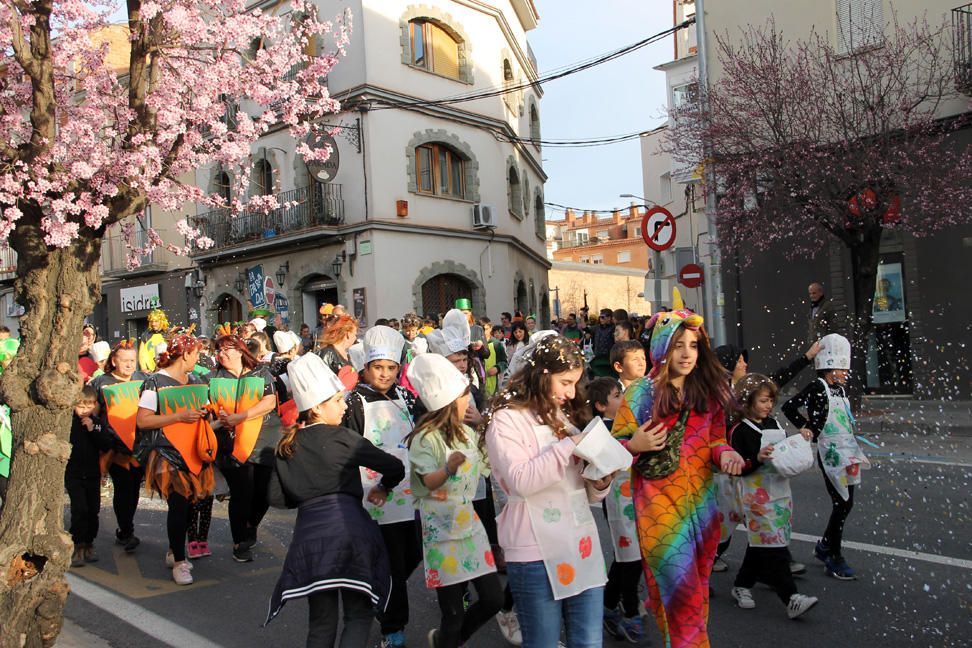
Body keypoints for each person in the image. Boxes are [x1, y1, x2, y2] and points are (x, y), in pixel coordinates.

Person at [611, 308, 744, 648]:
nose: (687, 354)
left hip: (703, 510)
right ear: (661, 348)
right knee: (682, 600)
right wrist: (635, 444)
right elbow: (611, 449)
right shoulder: (641, 392)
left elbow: (716, 439)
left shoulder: (709, 393)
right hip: (659, 513)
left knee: (695, 598)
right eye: (678, 345)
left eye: (694, 345)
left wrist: (725, 453)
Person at [264, 353, 405, 646]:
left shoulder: (286, 446)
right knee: (358, 614)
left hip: (309, 537)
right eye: (338, 401)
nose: (344, 407)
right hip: (350, 530)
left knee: (321, 621)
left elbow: (276, 497)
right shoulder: (342, 438)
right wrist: (382, 487)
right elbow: (395, 467)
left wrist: (307, 496)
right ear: (317, 408)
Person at [485, 334, 614, 648]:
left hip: (579, 541)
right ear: (542, 374)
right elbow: (521, 480)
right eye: (565, 382)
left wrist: (600, 481)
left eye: (575, 384)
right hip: (533, 551)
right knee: (542, 641)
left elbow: (580, 488)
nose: (571, 393)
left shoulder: (562, 417)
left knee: (588, 641)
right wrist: (571, 445)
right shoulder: (506, 420)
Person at [406, 353, 503, 648]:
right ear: (449, 402)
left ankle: (448, 642)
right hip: (441, 532)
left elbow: (489, 464)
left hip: (469, 525)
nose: (469, 402)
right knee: (453, 613)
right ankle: (449, 640)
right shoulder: (425, 438)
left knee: (493, 599)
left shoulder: (467, 433)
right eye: (465, 397)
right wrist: (448, 468)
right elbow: (426, 481)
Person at [342, 325, 423, 648]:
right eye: (379, 368)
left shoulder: (404, 396)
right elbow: (348, 449)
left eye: (391, 368)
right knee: (391, 566)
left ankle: (378, 591)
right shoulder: (356, 401)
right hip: (375, 497)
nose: (385, 374)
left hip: (408, 495)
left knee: (411, 557)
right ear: (367, 368)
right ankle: (393, 628)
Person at [728, 374, 818, 618]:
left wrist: (800, 440)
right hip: (756, 499)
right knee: (774, 548)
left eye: (770, 400)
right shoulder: (739, 431)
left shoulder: (772, 423)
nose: (768, 405)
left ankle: (742, 585)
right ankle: (791, 598)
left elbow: (783, 451)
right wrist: (755, 460)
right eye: (763, 401)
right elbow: (737, 467)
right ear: (747, 402)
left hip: (779, 493)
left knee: (762, 544)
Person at [782, 333, 870, 581]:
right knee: (841, 503)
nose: (845, 373)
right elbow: (789, 406)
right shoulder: (817, 388)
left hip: (849, 452)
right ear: (830, 368)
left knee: (847, 503)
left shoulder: (839, 390)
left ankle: (825, 547)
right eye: (842, 368)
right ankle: (833, 554)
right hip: (830, 453)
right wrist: (804, 426)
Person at [135, 331, 213, 585]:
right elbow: (143, 420)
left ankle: (174, 549)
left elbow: (207, 414)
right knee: (178, 505)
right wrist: (179, 416)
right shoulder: (154, 382)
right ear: (186, 354)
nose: (198, 358)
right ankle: (179, 561)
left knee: (190, 505)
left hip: (195, 452)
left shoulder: (199, 379)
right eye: (197, 354)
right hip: (168, 453)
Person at [210, 334, 278, 562]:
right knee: (241, 493)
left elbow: (269, 402)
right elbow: (207, 406)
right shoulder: (212, 377)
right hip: (229, 444)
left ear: (240, 350)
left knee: (264, 492)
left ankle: (251, 524)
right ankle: (239, 541)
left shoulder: (261, 373)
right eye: (218, 351)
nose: (222, 354)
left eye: (227, 349)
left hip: (263, 440)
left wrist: (240, 417)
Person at [587, 377, 643, 643]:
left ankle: (609, 604)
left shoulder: (630, 423)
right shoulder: (598, 429)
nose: (622, 399)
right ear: (600, 405)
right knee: (629, 558)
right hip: (618, 502)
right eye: (616, 396)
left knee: (632, 559)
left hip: (638, 498)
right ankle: (630, 613)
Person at [90, 340, 146, 553]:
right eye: (125, 361)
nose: (130, 365)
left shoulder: (144, 379)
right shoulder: (101, 382)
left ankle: (126, 527)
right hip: (115, 448)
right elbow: (92, 412)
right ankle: (126, 530)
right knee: (123, 489)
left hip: (140, 446)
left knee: (133, 489)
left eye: (133, 360)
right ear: (114, 361)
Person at [67, 385, 111, 567]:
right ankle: (77, 544)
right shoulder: (69, 423)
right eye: (81, 406)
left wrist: (94, 430)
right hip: (74, 473)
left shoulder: (98, 422)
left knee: (93, 510)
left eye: (89, 406)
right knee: (80, 509)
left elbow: (106, 444)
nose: (84, 411)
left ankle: (89, 543)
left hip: (92, 473)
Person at [316, 313, 359, 390]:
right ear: (348, 334)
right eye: (355, 334)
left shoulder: (347, 354)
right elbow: (321, 382)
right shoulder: (327, 353)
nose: (355, 338)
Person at [482, 319, 508, 399]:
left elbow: (504, 362)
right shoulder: (476, 344)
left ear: (490, 328)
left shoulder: (497, 344)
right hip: (480, 385)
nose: (484, 332)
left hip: (493, 383)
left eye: (486, 329)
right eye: (481, 330)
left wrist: (497, 368)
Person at [590, 309, 615, 377]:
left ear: (609, 318)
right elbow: (586, 329)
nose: (601, 319)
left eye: (603, 317)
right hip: (598, 356)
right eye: (600, 317)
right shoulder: (597, 327)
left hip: (609, 358)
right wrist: (582, 317)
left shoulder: (614, 328)